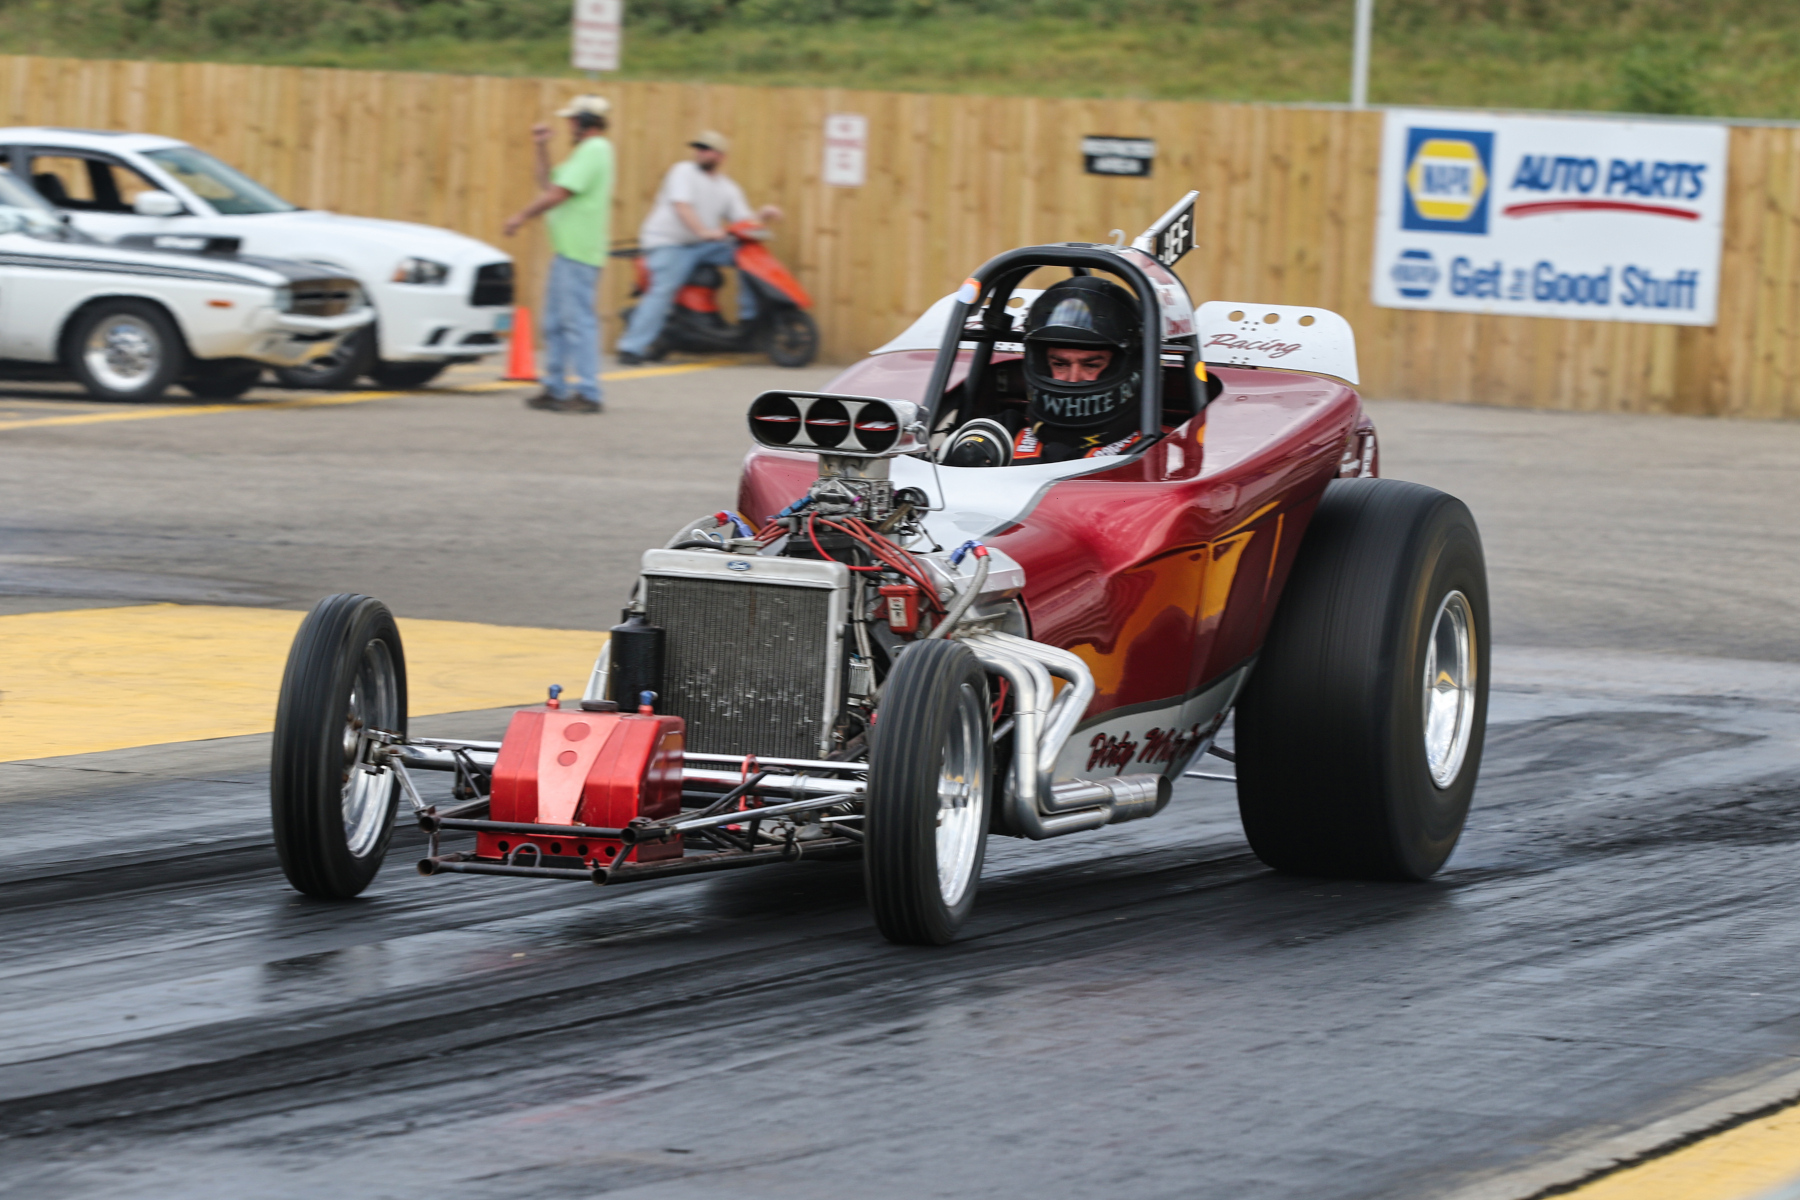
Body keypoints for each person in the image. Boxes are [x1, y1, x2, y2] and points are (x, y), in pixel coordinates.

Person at [615, 131, 782, 365]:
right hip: (669, 243)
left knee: (747, 255)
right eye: (698, 148)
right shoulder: (682, 172)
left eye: (706, 149)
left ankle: (749, 317)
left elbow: (743, 222)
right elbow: (682, 207)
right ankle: (631, 347)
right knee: (663, 289)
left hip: (702, 244)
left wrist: (762, 215)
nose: (700, 152)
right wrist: (704, 232)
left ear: (721, 156)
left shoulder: (727, 188)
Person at [504, 94, 615, 414]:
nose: (568, 125)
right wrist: (541, 147)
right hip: (568, 250)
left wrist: (521, 216)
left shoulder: (595, 149)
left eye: (572, 120)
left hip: (578, 251)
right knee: (555, 323)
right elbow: (548, 182)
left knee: (578, 323)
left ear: (585, 121)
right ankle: (555, 387)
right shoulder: (586, 153)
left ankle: (588, 392)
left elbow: (558, 194)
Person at [1009, 276, 1146, 462]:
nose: (1073, 378)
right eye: (1060, 364)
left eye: (1091, 365)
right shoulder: (1005, 432)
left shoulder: (1156, 451)